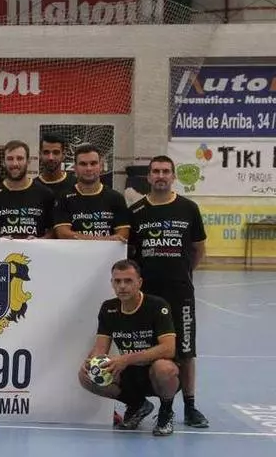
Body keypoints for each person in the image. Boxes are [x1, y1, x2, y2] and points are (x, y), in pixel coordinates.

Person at [129, 155, 209, 428]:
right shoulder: (137, 211)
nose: (161, 176)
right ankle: (138, 404)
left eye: (166, 171)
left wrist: (182, 273)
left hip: (180, 292)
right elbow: (130, 253)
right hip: (147, 295)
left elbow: (198, 249)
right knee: (144, 348)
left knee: (185, 351)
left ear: (173, 176)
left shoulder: (188, 208)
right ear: (148, 177)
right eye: (156, 171)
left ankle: (190, 406)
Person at [79, 259, 180, 436]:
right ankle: (138, 404)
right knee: (86, 376)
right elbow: (100, 348)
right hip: (128, 373)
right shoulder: (108, 308)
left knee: (164, 368)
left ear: (139, 282)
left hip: (155, 374)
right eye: (117, 281)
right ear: (112, 283)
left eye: (128, 281)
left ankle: (166, 411)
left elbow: (168, 348)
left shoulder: (157, 306)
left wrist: (127, 359)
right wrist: (92, 362)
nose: (122, 286)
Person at [53, 144, 130, 241]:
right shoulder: (64, 198)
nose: (89, 168)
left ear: (101, 166)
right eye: (83, 164)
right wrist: (104, 240)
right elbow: (63, 234)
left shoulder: (116, 198)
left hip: (106, 251)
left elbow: (123, 234)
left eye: (93, 163)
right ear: (75, 168)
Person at [0, 140, 55, 239]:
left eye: (20, 158)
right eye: (10, 159)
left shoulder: (45, 194)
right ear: (3, 162)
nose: (15, 164)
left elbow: (53, 231)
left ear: (28, 161)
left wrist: (39, 242)